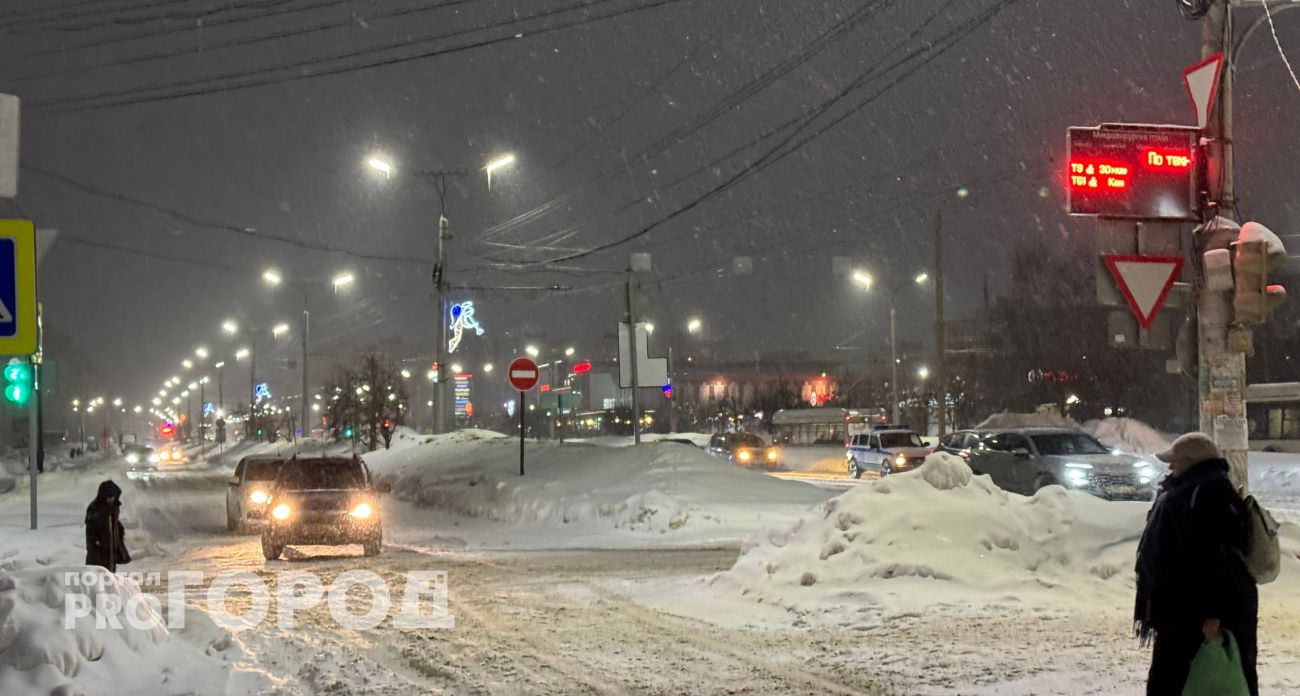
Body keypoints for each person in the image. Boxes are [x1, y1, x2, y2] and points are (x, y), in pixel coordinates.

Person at [1135, 432, 1257, 695]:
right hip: (1183, 608)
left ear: (1192, 462)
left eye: (1175, 460)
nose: (1170, 466)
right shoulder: (1192, 490)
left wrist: (1213, 614)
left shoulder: (1209, 494)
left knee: (1189, 680)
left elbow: (1217, 558)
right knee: (1177, 680)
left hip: (1196, 613)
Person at [85, 480, 131, 573]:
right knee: (99, 570)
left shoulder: (114, 507)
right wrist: (97, 541)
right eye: (109, 497)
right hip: (99, 546)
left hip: (111, 543)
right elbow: (90, 527)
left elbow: (114, 521)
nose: (111, 499)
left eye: (113, 497)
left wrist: (119, 529)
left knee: (110, 568)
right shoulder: (95, 508)